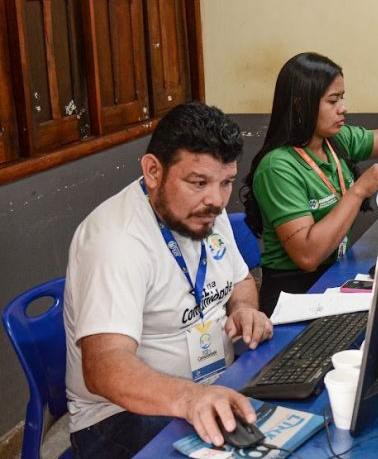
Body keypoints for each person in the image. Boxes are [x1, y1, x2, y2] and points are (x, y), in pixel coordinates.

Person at [64, 102, 274, 458]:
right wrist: (190, 398)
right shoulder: (116, 241)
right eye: (198, 182)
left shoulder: (205, 211)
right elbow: (104, 366)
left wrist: (244, 309)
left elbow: (240, 281)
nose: (216, 200)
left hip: (207, 387)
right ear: (152, 172)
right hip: (119, 416)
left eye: (226, 182)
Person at [240, 52, 378, 314]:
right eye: (332, 100)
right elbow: (307, 256)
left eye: (342, 98)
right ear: (301, 106)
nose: (343, 108)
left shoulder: (334, 140)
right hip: (294, 295)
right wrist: (358, 191)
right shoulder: (277, 167)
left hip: (334, 277)